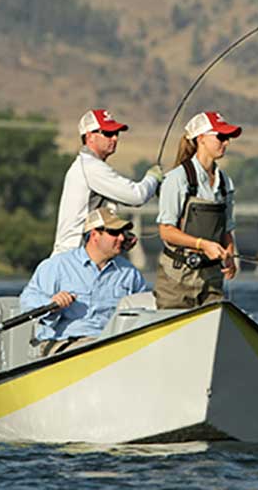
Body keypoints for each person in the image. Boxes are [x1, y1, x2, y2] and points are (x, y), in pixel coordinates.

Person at [21, 208, 150, 356]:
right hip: (64, 344)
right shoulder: (57, 265)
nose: (121, 238)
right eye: (114, 233)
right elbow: (26, 301)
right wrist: (51, 303)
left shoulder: (130, 273)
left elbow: (145, 313)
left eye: (123, 233)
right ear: (94, 234)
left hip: (112, 346)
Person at [154, 111, 240, 309]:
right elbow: (166, 231)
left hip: (212, 278)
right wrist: (202, 244)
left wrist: (230, 254)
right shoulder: (177, 178)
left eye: (228, 138)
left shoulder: (225, 182)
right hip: (176, 278)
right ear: (200, 138)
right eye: (221, 137)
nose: (226, 142)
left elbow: (226, 229)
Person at [52, 108, 163, 255]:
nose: (115, 138)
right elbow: (137, 196)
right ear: (90, 136)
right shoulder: (91, 167)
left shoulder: (88, 166)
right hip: (73, 258)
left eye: (116, 134)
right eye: (108, 133)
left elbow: (97, 216)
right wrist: (153, 178)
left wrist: (118, 235)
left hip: (80, 255)